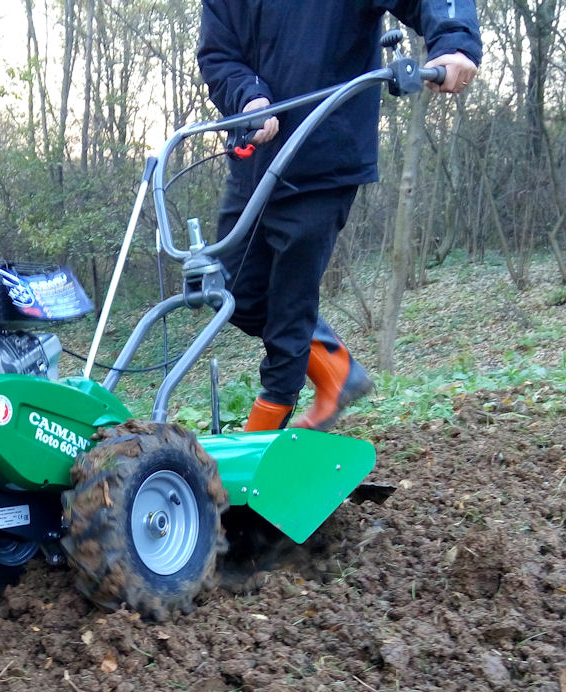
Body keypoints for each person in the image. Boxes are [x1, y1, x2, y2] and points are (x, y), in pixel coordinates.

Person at [198, 1, 482, 432]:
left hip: (325, 153)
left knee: (290, 311)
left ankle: (261, 440)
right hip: (254, 161)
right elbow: (218, 54)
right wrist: (250, 96)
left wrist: (454, 39)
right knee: (230, 288)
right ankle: (334, 368)